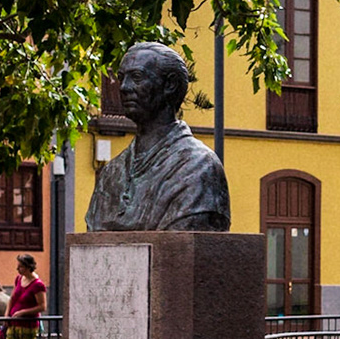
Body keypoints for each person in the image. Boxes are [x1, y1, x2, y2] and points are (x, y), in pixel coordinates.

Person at [85, 42, 232, 232]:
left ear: (169, 85)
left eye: (136, 77)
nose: (124, 87)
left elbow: (184, 246)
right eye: (121, 78)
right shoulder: (111, 173)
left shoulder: (200, 167)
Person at [4, 255, 47, 339]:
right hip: (14, 324)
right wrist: (7, 314)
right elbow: (12, 298)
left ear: (29, 267)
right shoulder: (19, 279)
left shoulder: (38, 285)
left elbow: (42, 306)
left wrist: (23, 312)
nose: (18, 269)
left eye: (21, 266)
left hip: (28, 325)